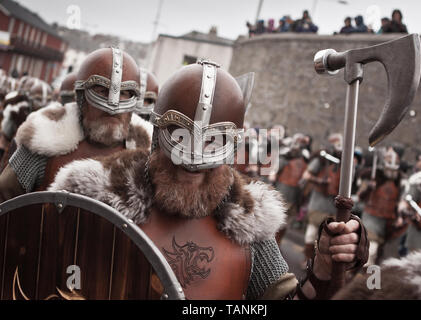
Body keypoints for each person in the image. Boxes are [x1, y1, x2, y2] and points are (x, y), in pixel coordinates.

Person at [48, 60, 369, 300]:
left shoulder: (248, 219)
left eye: (214, 142)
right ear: (160, 133)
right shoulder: (95, 192)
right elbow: (34, 268)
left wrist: (324, 269)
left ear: (231, 145)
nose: (194, 160)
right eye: (181, 136)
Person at [0, 47, 153, 202]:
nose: (113, 106)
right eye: (101, 90)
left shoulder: (149, 155)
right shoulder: (45, 139)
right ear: (81, 97)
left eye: (124, 93)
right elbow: (4, 201)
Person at [301, 133, 342, 262]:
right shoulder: (321, 158)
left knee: (324, 240)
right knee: (310, 235)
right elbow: (306, 175)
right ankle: (307, 260)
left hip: (332, 204)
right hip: (318, 202)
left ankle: (317, 263)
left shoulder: (345, 163)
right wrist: (319, 181)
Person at [357, 147, 402, 265]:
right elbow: (361, 196)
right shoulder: (375, 175)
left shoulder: (399, 180)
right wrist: (369, 188)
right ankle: (362, 277)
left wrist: (398, 217)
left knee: (379, 255)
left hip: (387, 221)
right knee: (370, 250)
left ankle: (368, 279)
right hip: (372, 216)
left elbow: (398, 201)